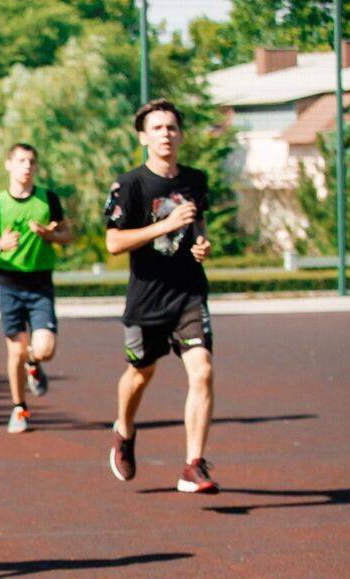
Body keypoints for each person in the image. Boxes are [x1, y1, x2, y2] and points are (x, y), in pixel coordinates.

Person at [104, 99, 216, 493]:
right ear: (143, 137)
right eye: (157, 128)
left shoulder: (196, 180)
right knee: (141, 373)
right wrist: (164, 225)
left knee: (202, 371)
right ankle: (124, 429)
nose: (165, 134)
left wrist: (202, 244)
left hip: (189, 294)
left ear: (181, 134)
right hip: (147, 299)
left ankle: (193, 464)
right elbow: (114, 243)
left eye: (171, 127)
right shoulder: (130, 185)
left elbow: (198, 225)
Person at [0, 143, 73, 434]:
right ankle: (19, 408)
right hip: (9, 284)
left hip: (40, 283)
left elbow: (68, 234)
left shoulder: (48, 199)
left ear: (36, 167)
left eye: (31, 161)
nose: (27, 166)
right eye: (21, 161)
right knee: (15, 350)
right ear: (9, 165)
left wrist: (52, 235)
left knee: (45, 349)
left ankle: (34, 363)